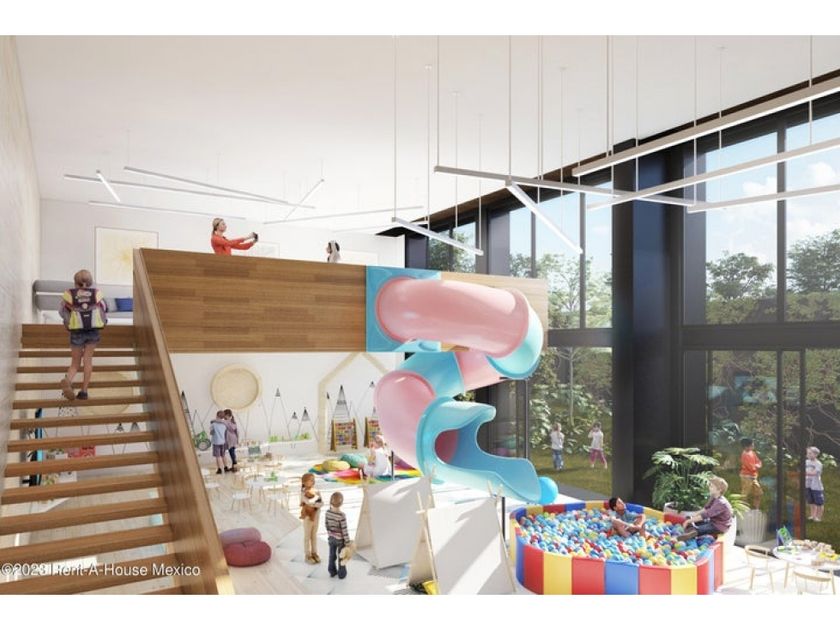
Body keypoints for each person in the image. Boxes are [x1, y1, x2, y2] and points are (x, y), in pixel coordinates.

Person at [58, 269, 108, 401]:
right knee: (87, 361)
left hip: (76, 332)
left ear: (75, 283)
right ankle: (84, 391)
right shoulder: (97, 294)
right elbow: (105, 308)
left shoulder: (69, 295)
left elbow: (61, 312)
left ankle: (68, 380)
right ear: (91, 282)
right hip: (93, 331)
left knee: (75, 363)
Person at [678, 476, 733, 541]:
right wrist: (694, 515)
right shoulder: (713, 496)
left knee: (701, 528)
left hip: (720, 526)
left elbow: (706, 515)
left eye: (712, 486)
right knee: (692, 519)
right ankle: (691, 529)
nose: (709, 488)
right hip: (713, 521)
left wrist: (688, 521)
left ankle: (690, 533)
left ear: (719, 490)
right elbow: (706, 508)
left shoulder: (721, 503)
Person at [325, 491, 351, 579]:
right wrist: (347, 542)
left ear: (331, 501)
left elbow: (326, 525)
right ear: (341, 503)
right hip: (340, 540)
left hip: (331, 538)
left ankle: (332, 571)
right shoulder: (342, 515)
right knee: (341, 557)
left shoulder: (327, 513)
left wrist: (330, 534)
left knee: (332, 555)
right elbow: (344, 530)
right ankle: (341, 574)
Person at [300, 472, 323, 564]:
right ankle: (307, 555)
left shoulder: (317, 491)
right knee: (307, 536)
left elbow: (321, 503)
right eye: (310, 480)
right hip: (307, 517)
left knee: (314, 535)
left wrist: (314, 504)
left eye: (313, 479)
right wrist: (315, 503)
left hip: (316, 516)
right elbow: (307, 502)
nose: (313, 481)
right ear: (304, 482)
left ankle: (314, 553)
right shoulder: (303, 493)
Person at [739, 437, 763, 510]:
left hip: (753, 476)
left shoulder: (752, 453)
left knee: (759, 492)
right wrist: (756, 466)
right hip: (746, 476)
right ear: (746, 446)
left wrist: (757, 465)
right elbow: (751, 467)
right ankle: (744, 509)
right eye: (752, 444)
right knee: (745, 494)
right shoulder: (744, 455)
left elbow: (759, 462)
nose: (753, 445)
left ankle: (756, 508)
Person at [805, 446, 825, 522]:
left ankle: (818, 517)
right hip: (808, 484)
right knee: (811, 501)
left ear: (816, 454)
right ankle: (813, 515)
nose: (808, 455)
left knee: (819, 502)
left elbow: (814, 473)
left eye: (810, 453)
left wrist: (805, 473)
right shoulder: (806, 462)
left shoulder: (818, 464)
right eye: (807, 453)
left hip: (816, 486)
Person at [222, 409, 240, 473]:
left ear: (227, 415)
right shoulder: (233, 422)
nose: (223, 416)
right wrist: (237, 440)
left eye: (224, 415)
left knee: (231, 452)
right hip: (234, 438)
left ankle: (235, 465)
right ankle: (234, 466)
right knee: (232, 452)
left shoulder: (226, 422)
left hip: (230, 439)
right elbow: (237, 432)